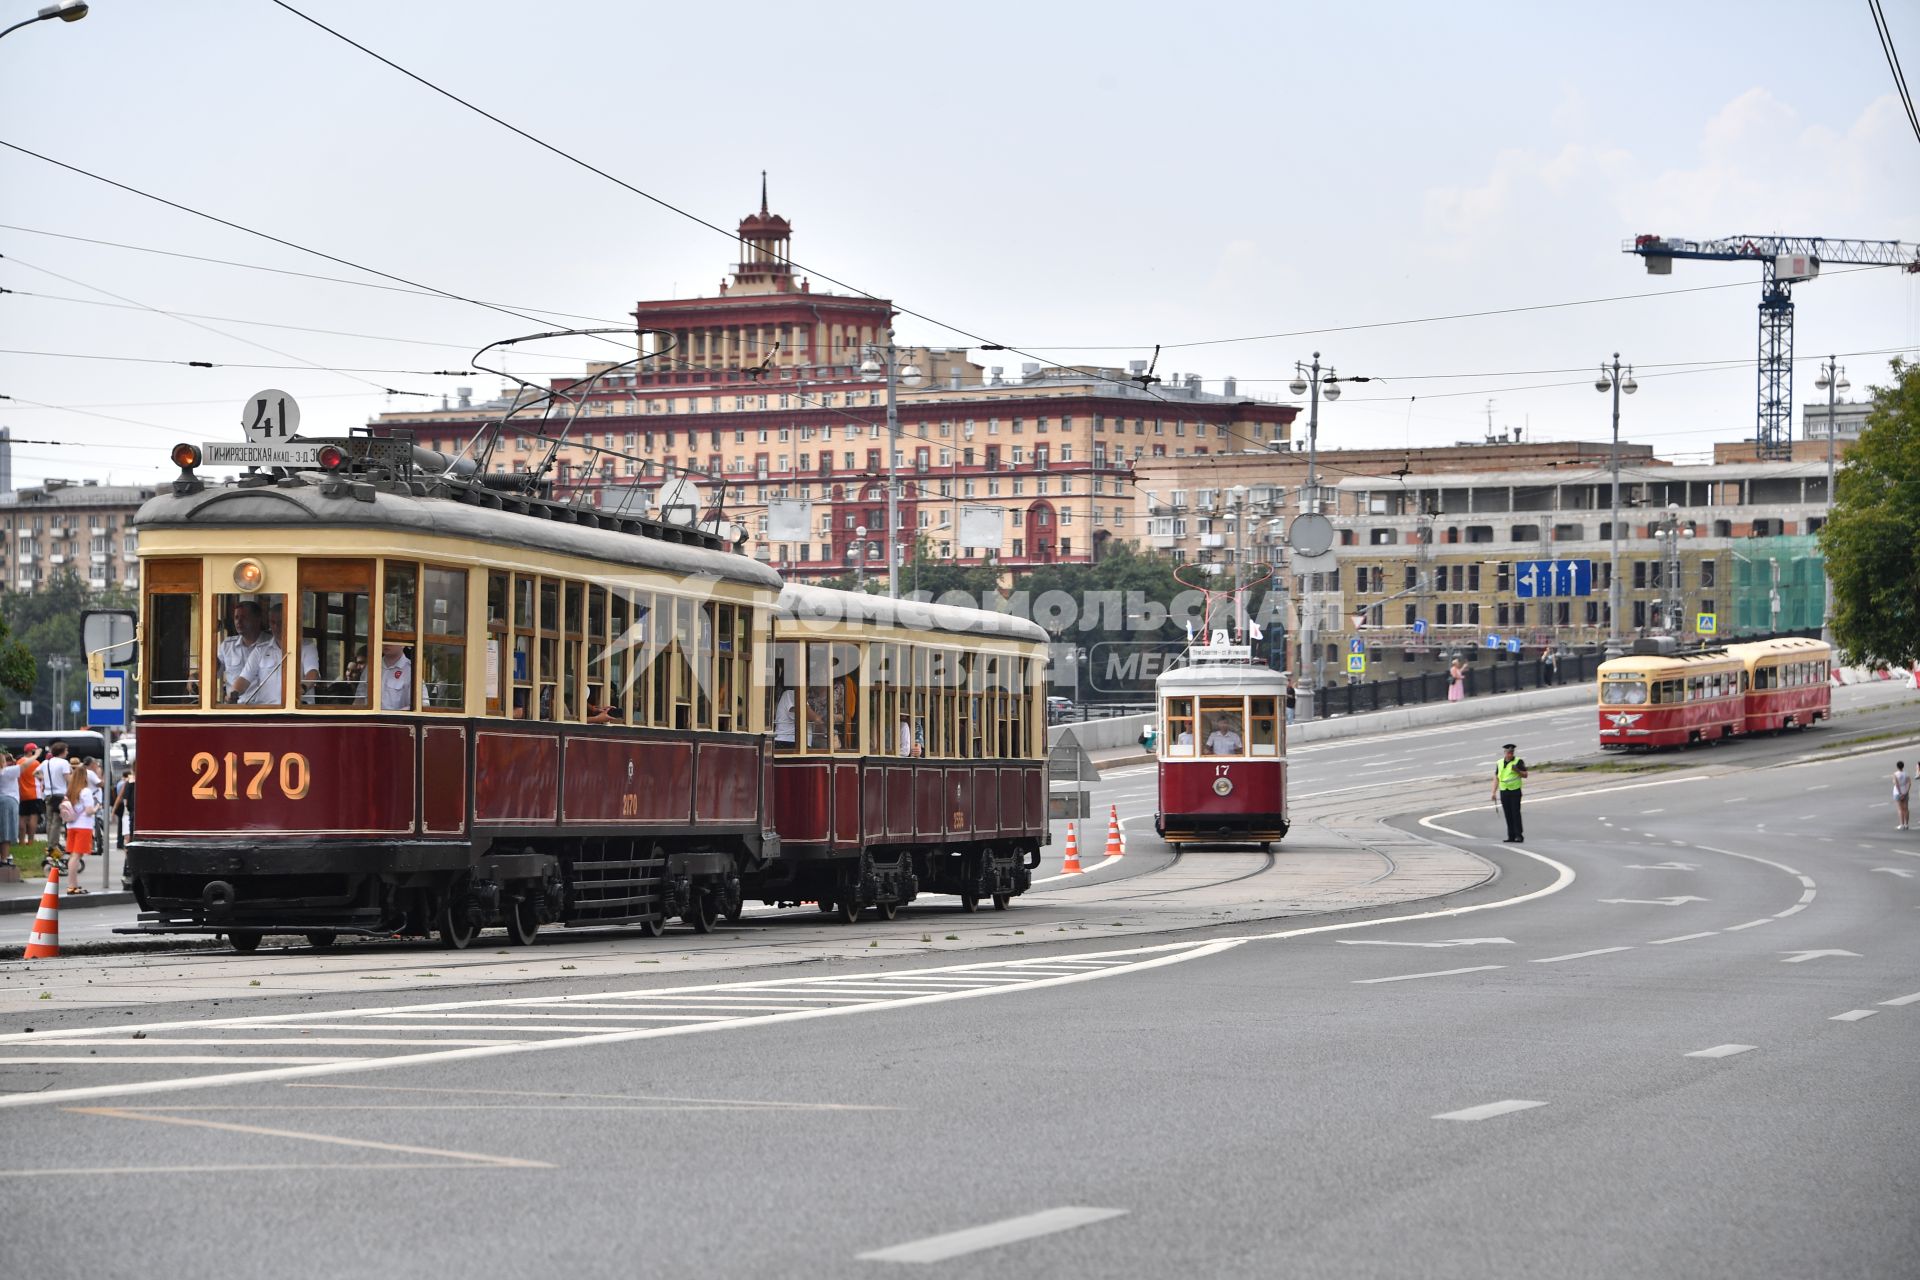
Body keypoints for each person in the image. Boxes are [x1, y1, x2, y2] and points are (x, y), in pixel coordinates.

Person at [218, 599, 283, 705]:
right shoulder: (227, 645)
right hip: (236, 705)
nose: (239, 621)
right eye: (236, 617)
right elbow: (215, 672)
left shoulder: (273, 643)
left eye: (244, 617)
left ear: (258, 619)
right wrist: (196, 676)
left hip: (265, 707)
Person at [36, 741, 71, 858]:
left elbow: (34, 773)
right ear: (62, 751)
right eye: (66, 750)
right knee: (57, 822)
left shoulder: (46, 762)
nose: (67, 752)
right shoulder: (64, 763)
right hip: (60, 795)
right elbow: (68, 779)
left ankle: (50, 844)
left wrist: (44, 779)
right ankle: (53, 846)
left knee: (50, 821)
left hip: (48, 795)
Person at [1491, 742, 1528, 842]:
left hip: (1515, 790)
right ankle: (1511, 835)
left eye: (1511, 753)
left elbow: (1525, 775)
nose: (1510, 754)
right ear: (1505, 752)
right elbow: (1496, 778)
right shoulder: (1499, 763)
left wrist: (1517, 771)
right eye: (1508, 753)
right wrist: (1493, 792)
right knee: (1508, 813)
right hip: (1504, 791)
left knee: (1515, 813)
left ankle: (1519, 835)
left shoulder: (1518, 761)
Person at [65, 783, 97, 895]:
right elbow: (89, 811)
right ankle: (72, 886)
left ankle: (73, 884)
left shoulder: (70, 791)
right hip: (83, 826)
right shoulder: (85, 791)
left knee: (73, 855)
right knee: (77, 856)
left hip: (71, 826)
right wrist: (96, 808)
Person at [16, 743, 40, 845]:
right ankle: (30, 841)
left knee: (22, 817)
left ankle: (21, 841)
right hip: (34, 793)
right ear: (31, 752)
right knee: (33, 817)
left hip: (22, 793)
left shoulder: (19, 762)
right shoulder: (36, 763)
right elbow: (40, 777)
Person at [0, 751, 18, 869]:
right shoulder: (6, 772)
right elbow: (24, 766)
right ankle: (5, 858)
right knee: (6, 832)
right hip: (7, 801)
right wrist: (36, 755)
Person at [112, 764, 136, 844]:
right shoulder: (129, 781)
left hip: (128, 810)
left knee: (127, 834)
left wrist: (114, 810)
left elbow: (121, 797)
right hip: (131, 810)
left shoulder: (128, 782)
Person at [1895, 759, 1911, 831]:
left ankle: (1901, 824)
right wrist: (1906, 791)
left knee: (1900, 809)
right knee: (1906, 808)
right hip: (1905, 792)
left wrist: (1900, 793)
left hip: (1898, 792)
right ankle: (1906, 824)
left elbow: (1896, 784)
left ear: (1897, 767)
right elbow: (1909, 783)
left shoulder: (1895, 774)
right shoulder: (1906, 774)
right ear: (1903, 766)